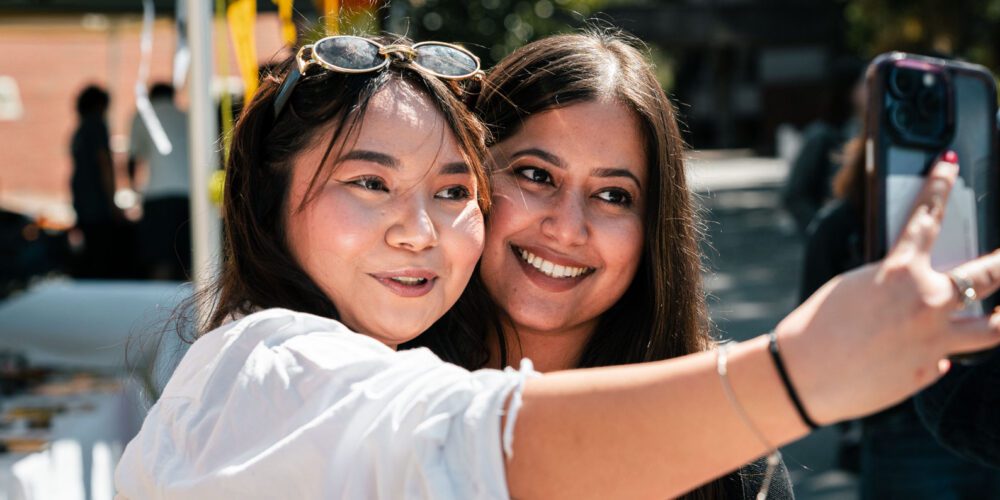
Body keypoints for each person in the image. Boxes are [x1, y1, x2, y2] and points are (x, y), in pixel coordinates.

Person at [116, 34, 1000, 499]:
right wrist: (800, 376)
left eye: (449, 188)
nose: (417, 228)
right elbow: (463, 442)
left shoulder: (728, 469)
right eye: (532, 175)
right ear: (268, 202)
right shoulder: (259, 371)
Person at [410, 32, 792, 498]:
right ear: (469, 175)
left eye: (613, 196)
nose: (568, 228)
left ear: (652, 229)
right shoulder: (365, 389)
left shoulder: (722, 447)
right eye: (536, 174)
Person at [801, 137, 1000, 497]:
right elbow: (813, 332)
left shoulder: (985, 209)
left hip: (949, 410)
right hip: (902, 420)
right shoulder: (842, 225)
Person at [128, 82, 192, 280]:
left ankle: (160, 306)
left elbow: (132, 160)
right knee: (186, 259)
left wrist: (134, 190)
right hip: (187, 194)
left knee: (160, 258)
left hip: (157, 195)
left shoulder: (142, 118)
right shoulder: (186, 117)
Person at [70, 85, 120, 278]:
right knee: (100, 253)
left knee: (90, 249)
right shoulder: (97, 126)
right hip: (96, 202)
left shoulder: (80, 130)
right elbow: (104, 164)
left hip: (82, 199)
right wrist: (112, 201)